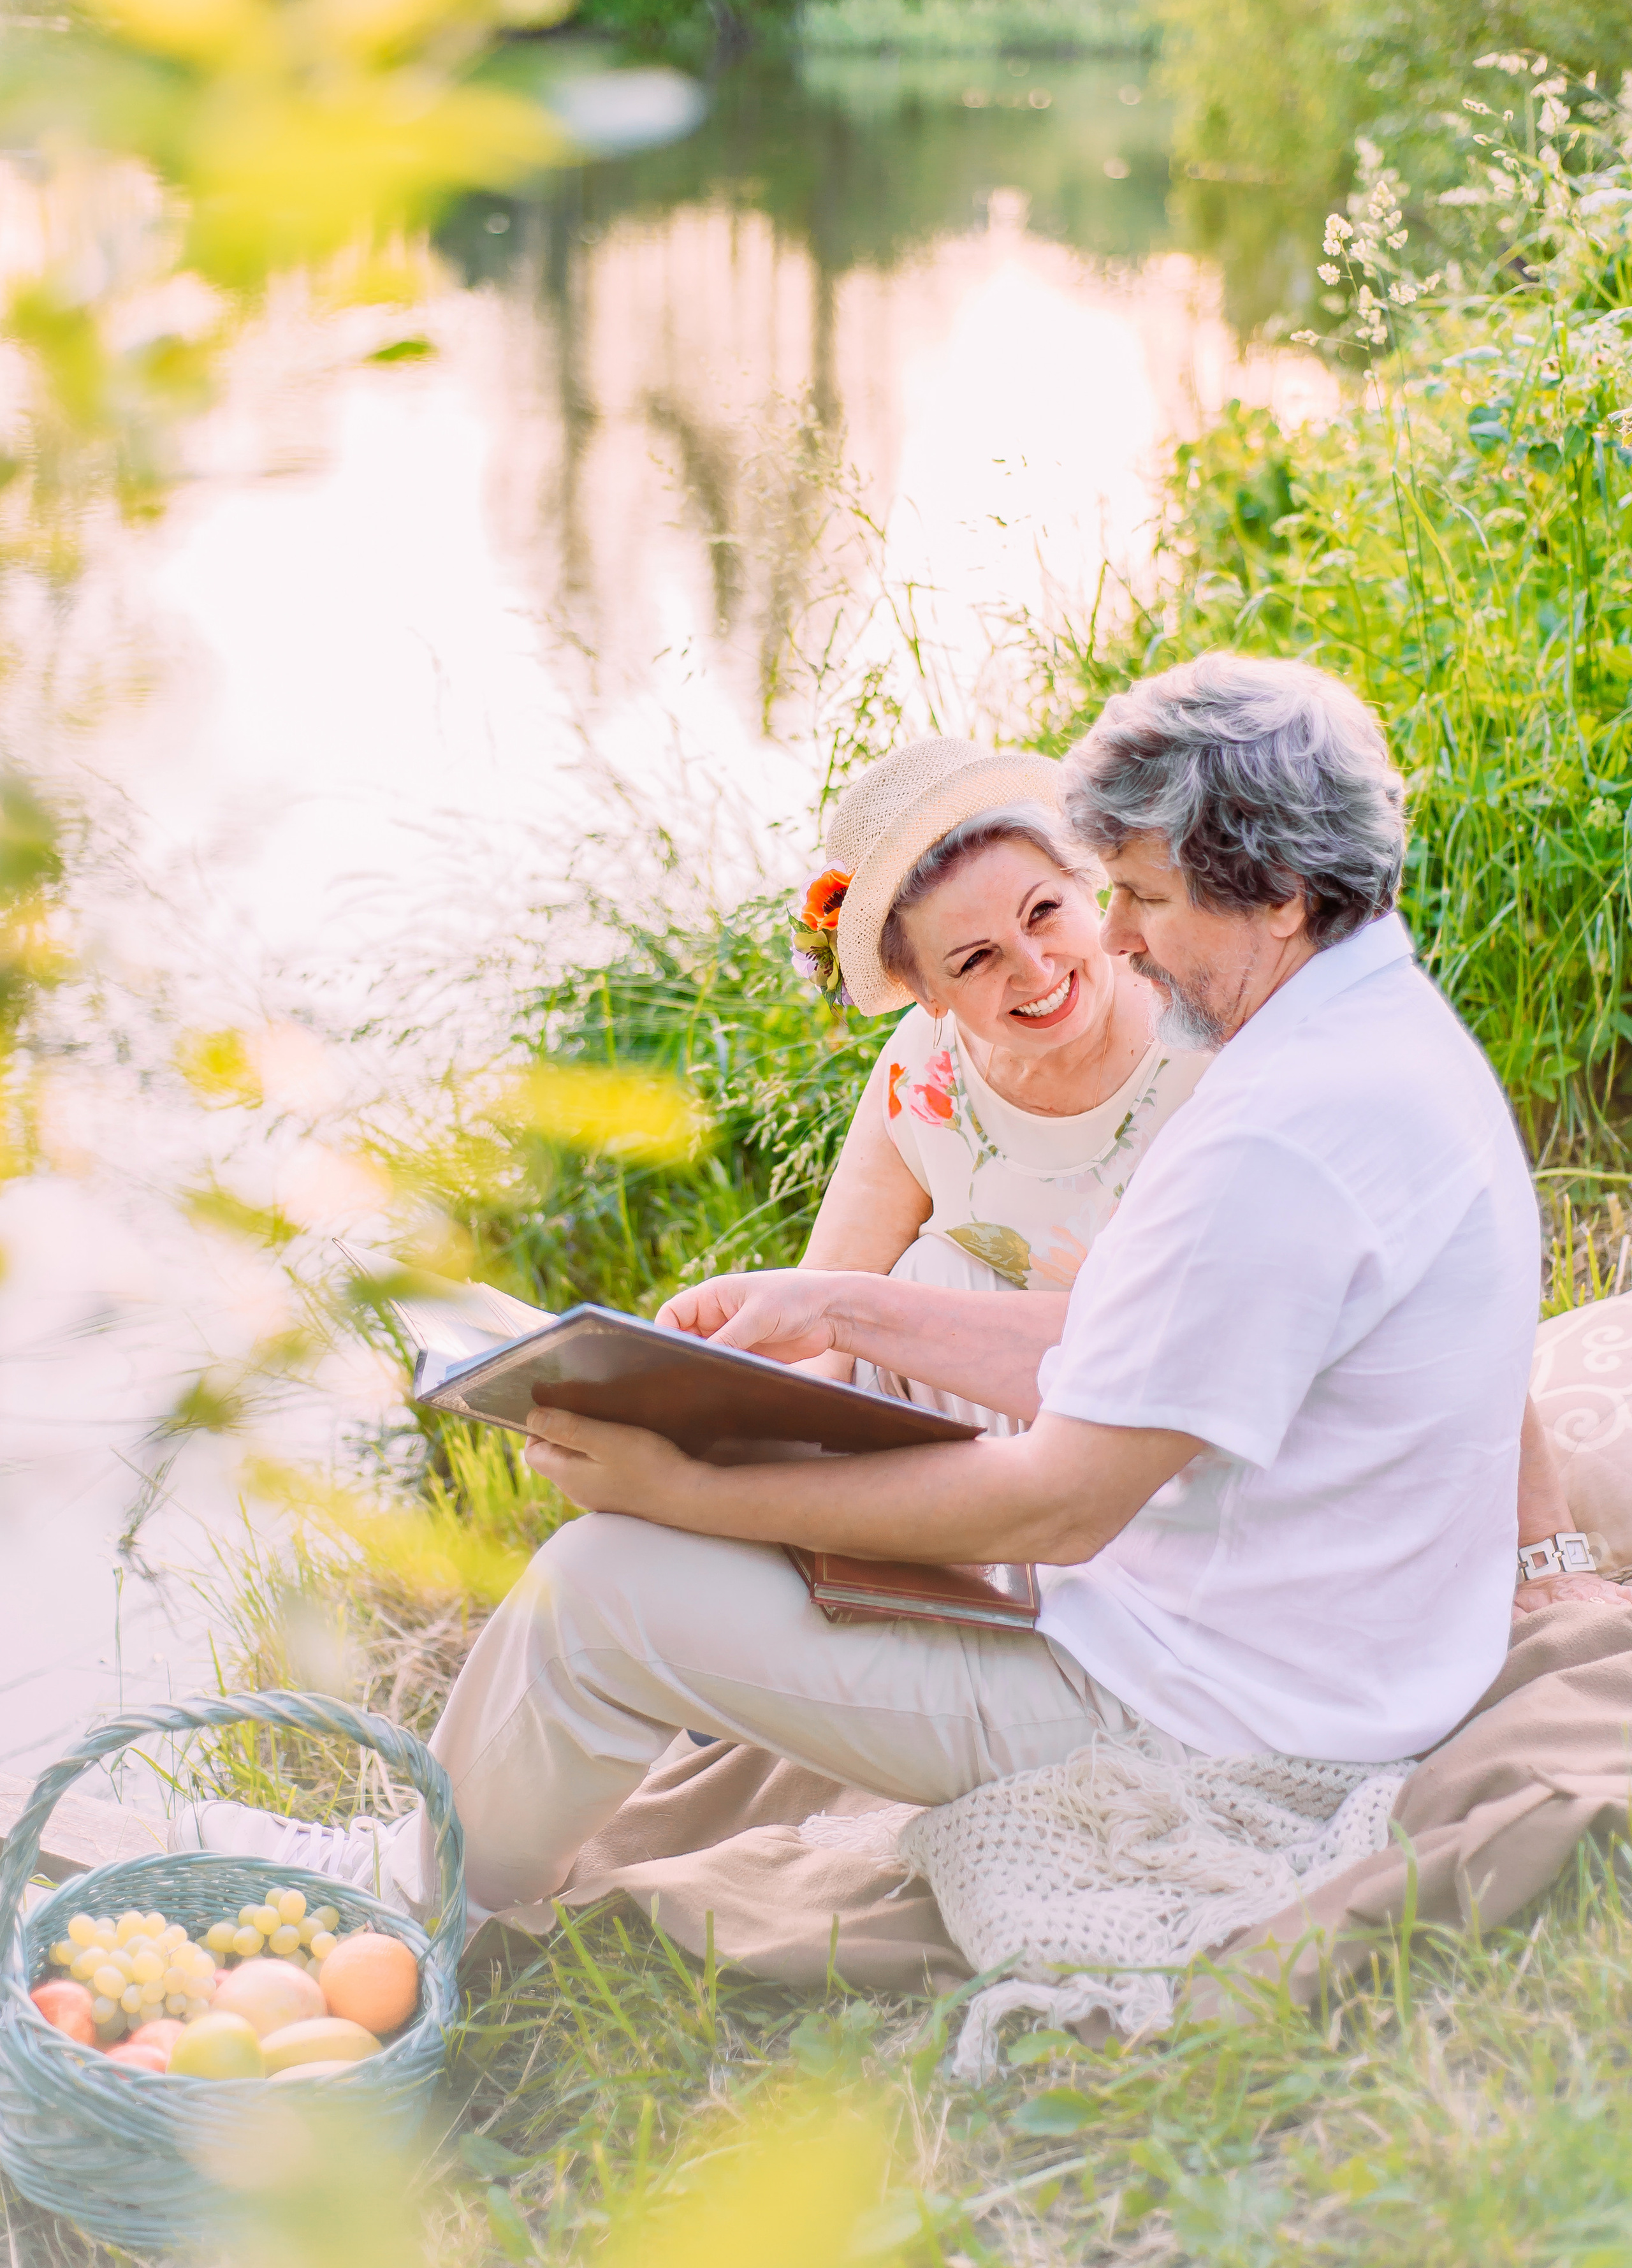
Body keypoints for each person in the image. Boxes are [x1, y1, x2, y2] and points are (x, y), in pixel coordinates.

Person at [175, 653, 1623, 1929]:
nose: (1114, 938)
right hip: (1289, 1646)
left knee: (600, 1590)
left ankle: (413, 1898)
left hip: (1211, 1713)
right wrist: (840, 1308)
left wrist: (691, 1491)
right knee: (730, 1518)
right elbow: (1138, 1353)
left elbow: (1058, 1504)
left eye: (1136, 897)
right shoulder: (1373, 1027)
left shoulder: (1269, 1139)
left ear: (1278, 894)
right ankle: (438, 1850)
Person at [790, 734, 1209, 1431]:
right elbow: (818, 1308)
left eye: (1043, 912)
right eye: (976, 959)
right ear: (925, 994)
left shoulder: (1206, 1025)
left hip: (1177, 1418)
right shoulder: (921, 1070)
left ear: (1088, 886)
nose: (1036, 971)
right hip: (982, 1435)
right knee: (925, 1274)